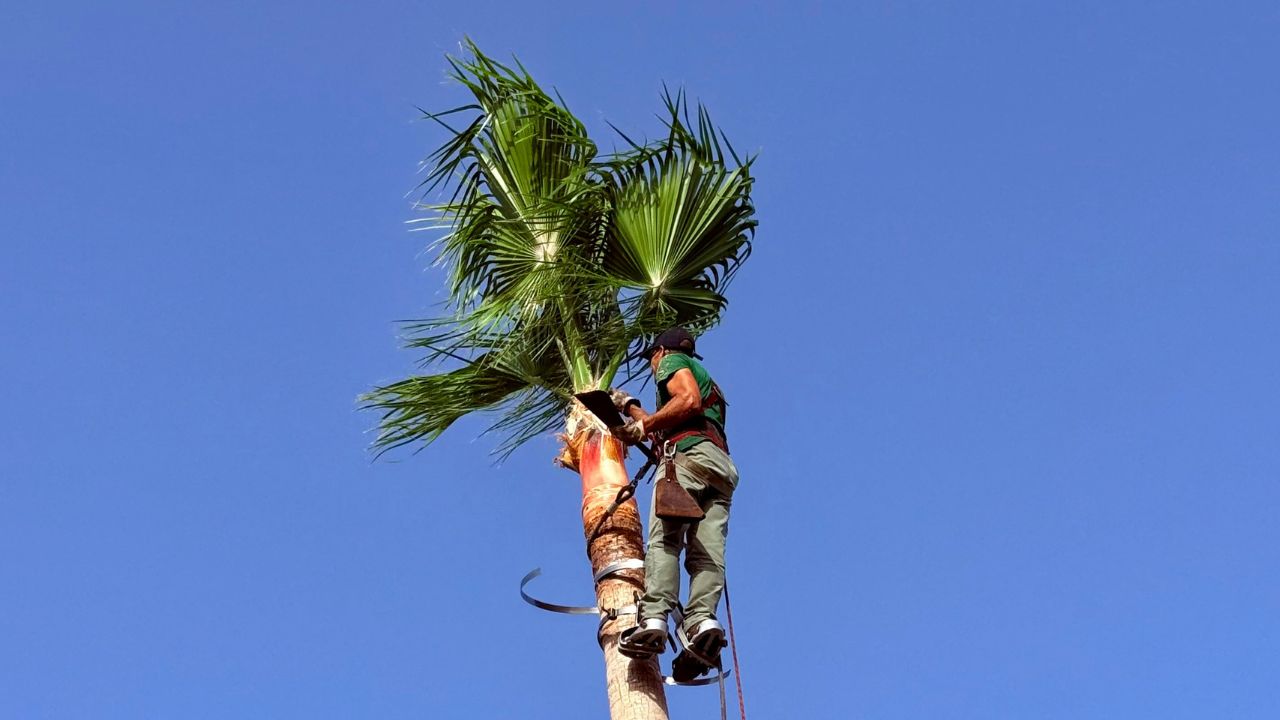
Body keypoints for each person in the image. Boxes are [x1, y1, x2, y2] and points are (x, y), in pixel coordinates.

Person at [609, 327, 739, 679]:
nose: (653, 366)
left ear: (661, 352)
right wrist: (631, 409)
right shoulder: (708, 381)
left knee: (666, 539)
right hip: (718, 469)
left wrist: (642, 427)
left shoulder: (672, 362)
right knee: (706, 552)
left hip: (687, 460)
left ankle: (653, 617)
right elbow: (677, 418)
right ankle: (701, 622)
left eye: (651, 358)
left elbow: (687, 401)